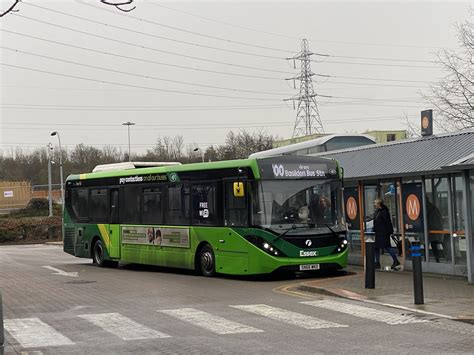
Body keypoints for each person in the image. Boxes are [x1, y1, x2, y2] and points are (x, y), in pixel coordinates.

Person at [373, 198, 400, 269]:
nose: (374, 205)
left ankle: (395, 260)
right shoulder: (378, 211)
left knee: (387, 247)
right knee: (376, 247)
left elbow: (388, 222)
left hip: (383, 233)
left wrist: (390, 232)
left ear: (379, 204)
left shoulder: (384, 211)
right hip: (378, 233)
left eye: (375, 203)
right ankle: (377, 262)